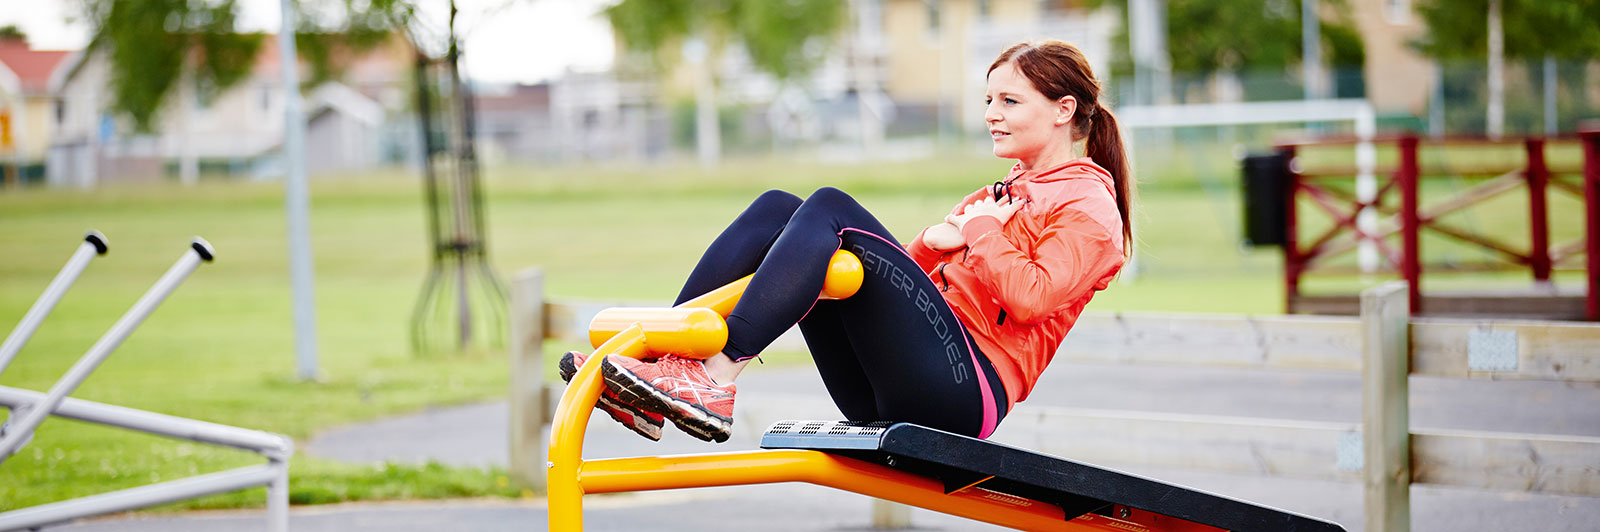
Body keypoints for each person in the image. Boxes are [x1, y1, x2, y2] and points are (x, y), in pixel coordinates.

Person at [561, 39, 1132, 444]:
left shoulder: (1089, 207)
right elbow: (898, 289)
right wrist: (935, 245)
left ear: (1064, 110)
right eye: (988, 101)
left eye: (1009, 102)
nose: (991, 115)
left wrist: (979, 230)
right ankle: (659, 369)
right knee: (778, 211)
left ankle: (715, 377)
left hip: (963, 394)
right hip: (891, 386)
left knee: (831, 206)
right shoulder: (1003, 193)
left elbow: (1032, 298)